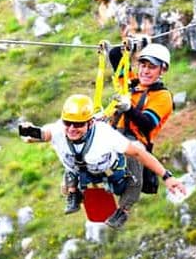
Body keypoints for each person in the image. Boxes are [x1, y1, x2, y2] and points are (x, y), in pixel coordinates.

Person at [20, 94, 186, 229]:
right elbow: (44, 134)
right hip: (80, 173)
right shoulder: (58, 130)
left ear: (90, 123)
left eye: (77, 124)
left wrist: (167, 176)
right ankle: (73, 193)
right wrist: (30, 133)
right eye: (68, 123)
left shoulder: (104, 135)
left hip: (110, 173)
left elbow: (138, 153)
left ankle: (124, 210)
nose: (71, 129)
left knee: (134, 173)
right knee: (69, 174)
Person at [110, 42, 174, 195]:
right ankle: (75, 186)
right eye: (143, 66)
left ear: (162, 70)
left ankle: (124, 195)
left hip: (135, 142)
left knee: (129, 157)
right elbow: (115, 55)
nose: (145, 71)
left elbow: (147, 123)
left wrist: (129, 109)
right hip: (116, 135)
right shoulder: (132, 84)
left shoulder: (162, 96)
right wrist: (131, 45)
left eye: (152, 67)